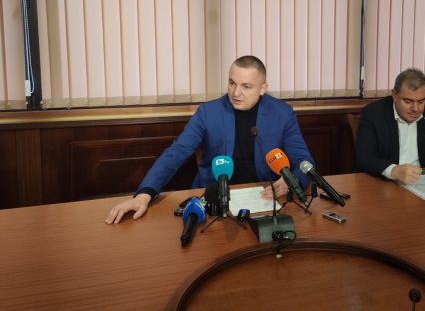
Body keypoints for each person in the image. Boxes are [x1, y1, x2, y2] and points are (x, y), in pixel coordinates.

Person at [106, 55, 314, 224]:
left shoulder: (282, 113)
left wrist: (292, 181)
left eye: (246, 86)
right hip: (215, 200)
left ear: (263, 88)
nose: (236, 92)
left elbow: (304, 161)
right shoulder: (208, 112)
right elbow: (176, 153)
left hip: (264, 198)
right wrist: (144, 194)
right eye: (232, 83)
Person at [355, 67, 425, 185]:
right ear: (394, 95)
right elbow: (364, 158)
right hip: (385, 183)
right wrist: (393, 171)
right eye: (408, 101)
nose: (415, 109)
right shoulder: (373, 113)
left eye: (421, 102)